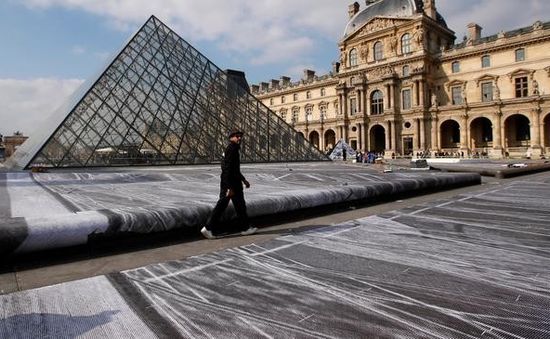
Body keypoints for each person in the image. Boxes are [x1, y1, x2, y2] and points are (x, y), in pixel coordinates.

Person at [201, 131, 257, 239]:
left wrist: (244, 180)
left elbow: (234, 168)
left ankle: (245, 227)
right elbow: (227, 169)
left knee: (239, 205)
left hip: (232, 181)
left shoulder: (232, 148)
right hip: (231, 183)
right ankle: (208, 227)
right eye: (237, 136)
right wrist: (229, 187)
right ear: (231, 138)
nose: (240, 138)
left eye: (241, 136)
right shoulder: (232, 149)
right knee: (223, 205)